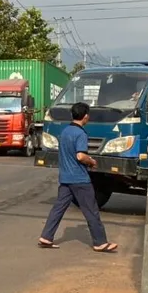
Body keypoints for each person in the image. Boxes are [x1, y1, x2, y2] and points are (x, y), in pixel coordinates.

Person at [37, 102, 118, 253]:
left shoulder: (65, 131)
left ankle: (46, 236)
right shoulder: (80, 134)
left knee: (58, 208)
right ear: (86, 116)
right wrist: (92, 161)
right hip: (80, 179)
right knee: (91, 210)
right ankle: (100, 242)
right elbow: (80, 156)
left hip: (66, 177)